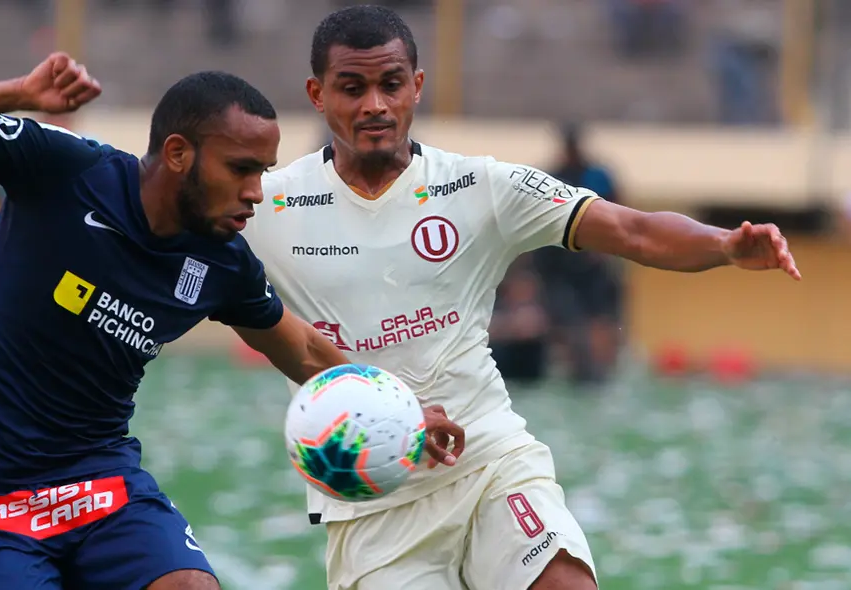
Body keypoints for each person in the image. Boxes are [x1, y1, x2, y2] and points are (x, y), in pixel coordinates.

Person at [242, 5, 800, 590]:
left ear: (417, 86)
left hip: (488, 461)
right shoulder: (270, 204)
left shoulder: (480, 185)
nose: (375, 105)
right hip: (372, 500)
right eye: (352, 88)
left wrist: (724, 245)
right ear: (317, 93)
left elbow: (631, 230)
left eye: (391, 84)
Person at [0, 53, 463, 590]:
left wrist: (403, 409)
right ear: (180, 153)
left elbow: (306, 350)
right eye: (241, 169)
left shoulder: (222, 260)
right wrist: (19, 90)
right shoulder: (69, 172)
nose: (256, 192)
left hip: (98, 477)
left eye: (263, 170)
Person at [531, 122, 623, 385]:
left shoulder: (598, 175)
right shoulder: (552, 175)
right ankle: (578, 369)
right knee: (568, 322)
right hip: (560, 261)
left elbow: (616, 208)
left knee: (600, 318)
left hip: (593, 259)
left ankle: (600, 371)